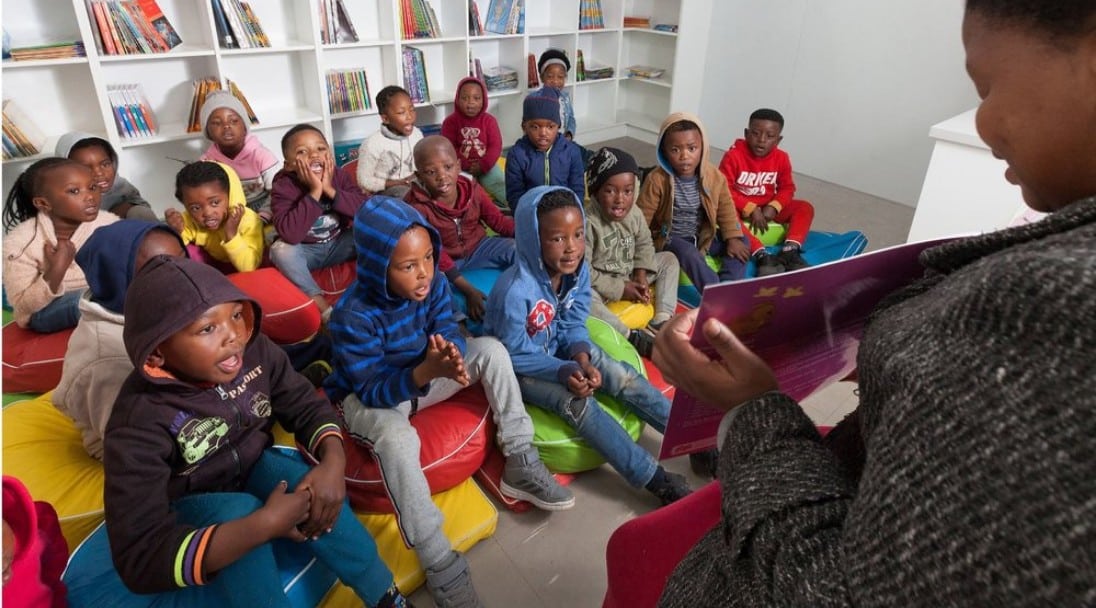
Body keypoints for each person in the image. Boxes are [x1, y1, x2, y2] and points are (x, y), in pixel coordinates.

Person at [655, 0, 1096, 604]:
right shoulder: (693, 172)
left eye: (988, 87)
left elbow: (833, 586)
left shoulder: (1056, 307)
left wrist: (752, 410)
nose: (985, 124)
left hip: (779, 536)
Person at [102, 255, 406, 607]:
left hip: (253, 464)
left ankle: (385, 596)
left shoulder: (256, 350)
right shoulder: (137, 419)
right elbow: (139, 556)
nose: (233, 336)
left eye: (234, 315)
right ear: (157, 354)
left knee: (302, 481)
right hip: (193, 499)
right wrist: (263, 525)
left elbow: (304, 403)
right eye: (207, 328)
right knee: (240, 512)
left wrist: (333, 463)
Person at [326, 195, 573, 608]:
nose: (423, 273)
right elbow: (370, 388)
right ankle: (438, 559)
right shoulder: (352, 314)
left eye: (427, 258)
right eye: (408, 266)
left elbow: (447, 328)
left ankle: (520, 459)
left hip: (428, 374)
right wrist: (426, 373)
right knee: (397, 440)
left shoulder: (436, 283)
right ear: (375, 268)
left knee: (492, 350)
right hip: (378, 396)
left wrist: (454, 355)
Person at [484, 186, 692, 506]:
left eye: (578, 235)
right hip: (524, 365)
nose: (572, 248)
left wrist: (581, 356)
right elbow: (512, 355)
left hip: (561, 350)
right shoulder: (514, 292)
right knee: (577, 404)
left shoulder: (577, 271)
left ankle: (695, 437)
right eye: (557, 239)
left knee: (619, 375)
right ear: (532, 239)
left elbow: (572, 323)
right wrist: (564, 369)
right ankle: (654, 478)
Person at [52, 220, 186, 460]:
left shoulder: (158, 302)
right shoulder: (111, 359)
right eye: (158, 269)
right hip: (130, 445)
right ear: (119, 281)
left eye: (182, 258)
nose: (183, 274)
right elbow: (133, 443)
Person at [405, 135, 516, 322]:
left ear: (458, 166)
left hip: (479, 248)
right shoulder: (416, 207)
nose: (441, 177)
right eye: (431, 172)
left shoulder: (472, 189)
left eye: (447, 167)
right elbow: (435, 251)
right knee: (430, 283)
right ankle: (457, 324)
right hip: (444, 261)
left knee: (515, 248)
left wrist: (528, 232)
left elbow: (497, 222)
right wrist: (469, 291)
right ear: (419, 176)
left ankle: (534, 292)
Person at [2, 157, 118, 332]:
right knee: (85, 302)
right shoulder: (20, 243)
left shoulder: (109, 223)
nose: (90, 197)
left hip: (103, 295)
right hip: (45, 311)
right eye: (74, 191)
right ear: (43, 203)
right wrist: (57, 268)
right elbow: (24, 307)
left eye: (92, 187)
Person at [637, 112, 749, 292]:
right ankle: (714, 291)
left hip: (702, 236)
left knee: (741, 240)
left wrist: (732, 238)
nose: (684, 156)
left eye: (692, 148)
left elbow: (726, 209)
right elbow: (641, 219)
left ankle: (729, 284)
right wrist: (640, 253)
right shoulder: (657, 179)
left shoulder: (714, 176)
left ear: (702, 147)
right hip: (670, 239)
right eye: (675, 150)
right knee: (688, 252)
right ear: (664, 151)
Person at [583, 146, 679, 358]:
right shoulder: (588, 222)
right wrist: (620, 289)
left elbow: (644, 243)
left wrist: (641, 275)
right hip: (602, 284)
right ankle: (630, 336)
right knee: (582, 297)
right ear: (596, 191)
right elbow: (584, 272)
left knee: (669, 260)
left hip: (628, 272)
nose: (620, 199)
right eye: (610, 191)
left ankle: (662, 318)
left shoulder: (634, 213)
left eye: (627, 191)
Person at [270, 124, 366, 321]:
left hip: (340, 244)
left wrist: (329, 189)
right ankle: (324, 310)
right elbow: (290, 234)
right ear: (289, 165)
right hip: (307, 252)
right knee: (280, 250)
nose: (314, 155)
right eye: (302, 152)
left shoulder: (338, 175)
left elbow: (365, 212)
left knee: (375, 229)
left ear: (329, 154)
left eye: (321, 149)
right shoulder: (284, 185)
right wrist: (315, 192)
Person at [718, 108, 815, 276]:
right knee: (725, 214)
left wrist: (774, 206)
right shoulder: (733, 156)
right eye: (755, 133)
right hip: (739, 207)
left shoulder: (782, 158)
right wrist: (750, 208)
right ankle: (761, 255)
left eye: (770, 136)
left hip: (767, 207)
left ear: (778, 140)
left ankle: (790, 251)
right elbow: (723, 189)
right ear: (746, 133)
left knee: (805, 207)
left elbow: (787, 187)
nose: (761, 141)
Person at [165, 161, 264, 273]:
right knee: (183, 249)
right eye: (195, 208)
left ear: (230, 195)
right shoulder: (189, 219)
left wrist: (231, 235)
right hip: (213, 269)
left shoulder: (248, 220)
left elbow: (249, 267)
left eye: (215, 202)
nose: (207, 213)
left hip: (245, 267)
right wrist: (177, 230)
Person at [199, 90, 280, 224]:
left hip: (263, 207)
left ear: (244, 127)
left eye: (234, 121)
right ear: (208, 131)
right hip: (228, 211)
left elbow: (278, 193)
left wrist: (264, 215)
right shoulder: (206, 162)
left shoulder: (262, 156)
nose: (226, 126)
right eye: (217, 123)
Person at [504, 87, 585, 210]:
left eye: (550, 126)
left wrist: (574, 212)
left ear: (558, 126)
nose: (543, 133)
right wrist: (529, 216)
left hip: (564, 213)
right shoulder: (517, 154)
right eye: (535, 127)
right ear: (524, 126)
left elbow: (577, 189)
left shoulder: (571, 151)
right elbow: (514, 195)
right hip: (531, 213)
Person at [55, 132, 158, 222]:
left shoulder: (120, 186)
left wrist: (121, 210)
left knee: (140, 212)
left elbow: (140, 204)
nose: (99, 173)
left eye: (105, 164)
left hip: (125, 234)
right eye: (86, 168)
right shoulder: (63, 199)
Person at [440, 76, 506, 204]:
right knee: (462, 190)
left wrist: (483, 165)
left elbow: (495, 146)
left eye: (476, 98)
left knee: (499, 182)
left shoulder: (489, 121)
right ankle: (472, 210)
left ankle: (513, 205)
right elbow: (449, 148)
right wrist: (466, 165)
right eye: (465, 98)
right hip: (461, 166)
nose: (470, 102)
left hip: (486, 164)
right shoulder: (450, 122)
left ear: (484, 100)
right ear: (457, 99)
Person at [356, 85, 424, 198]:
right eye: (402, 112)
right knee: (406, 196)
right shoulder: (372, 144)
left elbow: (422, 163)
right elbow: (364, 181)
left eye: (412, 109)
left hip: (414, 182)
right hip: (387, 189)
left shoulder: (417, 134)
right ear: (385, 118)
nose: (409, 116)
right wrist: (397, 183)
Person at [536, 48, 577, 140]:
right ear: (542, 78)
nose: (555, 81)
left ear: (565, 78)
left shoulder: (565, 97)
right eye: (550, 77)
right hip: (544, 142)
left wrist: (570, 133)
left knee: (580, 152)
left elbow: (571, 118)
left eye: (560, 77)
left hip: (563, 140)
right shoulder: (536, 99)